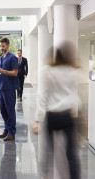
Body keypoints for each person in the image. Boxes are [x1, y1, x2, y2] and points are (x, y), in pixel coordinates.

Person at [32, 41, 81, 179]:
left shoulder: (47, 71)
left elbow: (43, 95)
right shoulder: (73, 71)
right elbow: (75, 95)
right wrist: (78, 112)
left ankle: (46, 175)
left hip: (53, 115)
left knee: (48, 150)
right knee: (71, 153)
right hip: (68, 115)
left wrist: (37, 120)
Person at [0, 38, 19, 141]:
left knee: (10, 111)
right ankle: (6, 130)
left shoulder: (12, 57)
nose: (1, 48)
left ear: (8, 46)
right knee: (3, 111)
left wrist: (4, 71)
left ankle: (12, 133)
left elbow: (15, 73)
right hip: (1, 88)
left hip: (9, 88)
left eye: (3, 46)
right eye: (0, 46)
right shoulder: (1, 58)